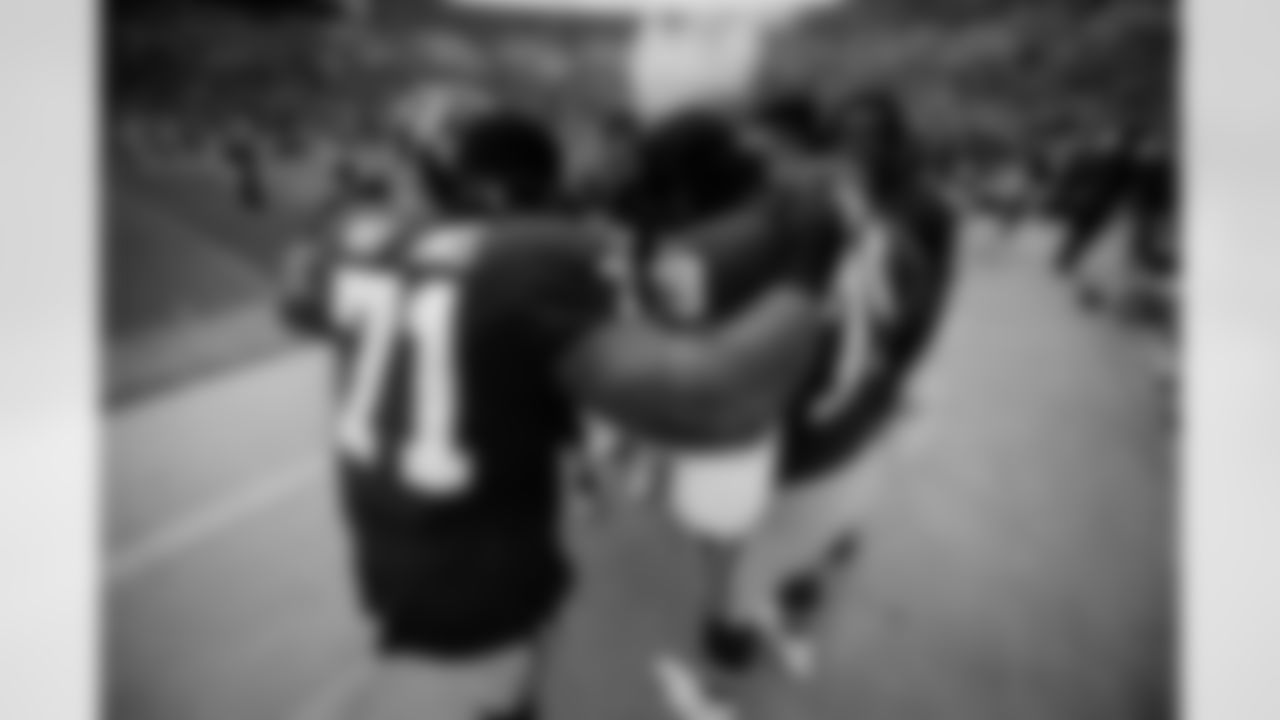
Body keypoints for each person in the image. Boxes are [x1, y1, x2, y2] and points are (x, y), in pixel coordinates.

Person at [278, 105, 840, 720]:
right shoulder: (539, 253)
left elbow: (298, 305)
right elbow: (705, 397)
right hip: (475, 581)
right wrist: (807, 278)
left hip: (388, 551)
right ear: (508, 191)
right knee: (495, 688)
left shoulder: (359, 239)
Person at [634, 94, 957, 720]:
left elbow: (686, 368)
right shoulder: (896, 241)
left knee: (739, 570)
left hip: (785, 447)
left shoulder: (720, 254)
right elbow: (914, 327)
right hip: (847, 437)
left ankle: (717, 685)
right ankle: (784, 619)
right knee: (803, 546)